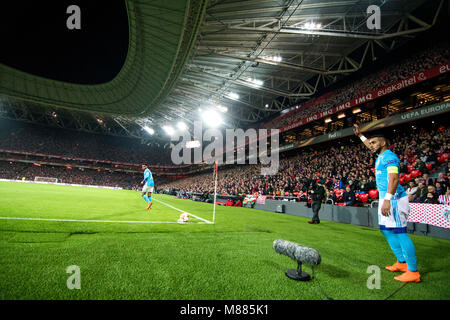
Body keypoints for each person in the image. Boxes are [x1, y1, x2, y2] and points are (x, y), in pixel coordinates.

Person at [353, 124, 420, 283]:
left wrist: (388, 200)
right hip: (386, 198)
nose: (371, 145)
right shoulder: (381, 157)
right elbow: (368, 143)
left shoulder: (390, 156)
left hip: (394, 198)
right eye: (370, 143)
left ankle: (413, 271)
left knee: (400, 232)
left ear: (383, 143)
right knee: (385, 230)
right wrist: (360, 135)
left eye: (374, 142)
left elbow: (394, 179)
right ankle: (401, 262)